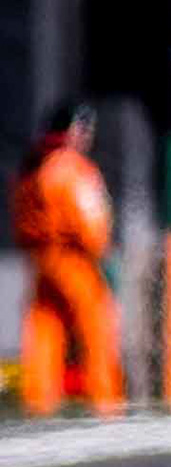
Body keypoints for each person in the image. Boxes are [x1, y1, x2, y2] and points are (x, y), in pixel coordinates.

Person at [13, 105, 121, 413]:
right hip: (74, 259)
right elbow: (90, 222)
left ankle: (38, 402)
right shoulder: (72, 169)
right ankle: (105, 403)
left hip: (41, 259)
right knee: (97, 325)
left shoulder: (33, 168)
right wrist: (102, 251)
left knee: (45, 326)